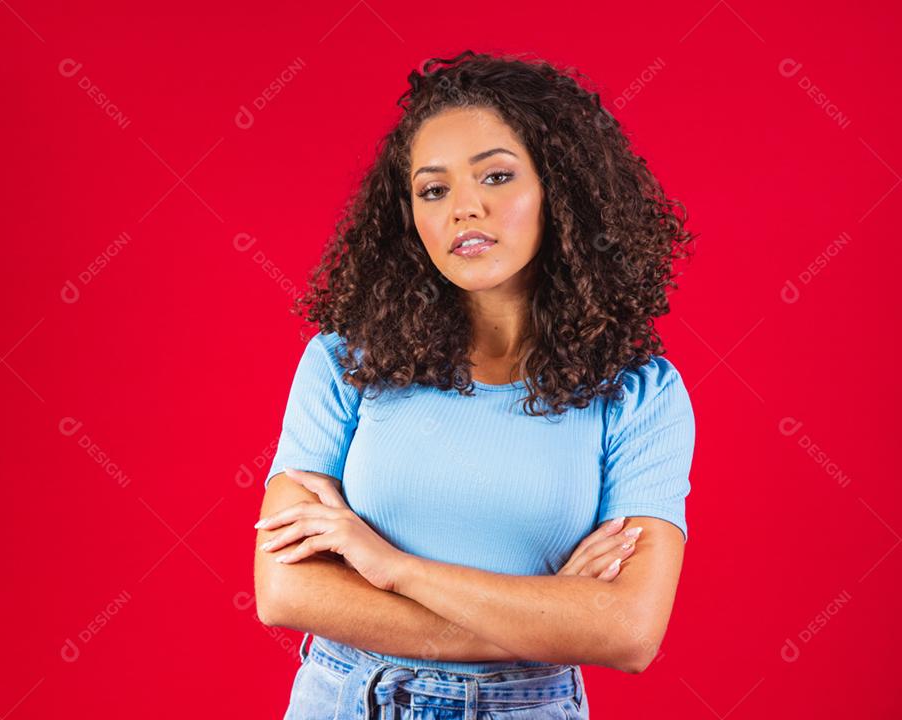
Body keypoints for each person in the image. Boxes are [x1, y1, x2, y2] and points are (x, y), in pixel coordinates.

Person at [253, 49, 697, 719]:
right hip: (348, 700)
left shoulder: (638, 395)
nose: (465, 208)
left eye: (496, 176)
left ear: (561, 189)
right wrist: (541, 620)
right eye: (434, 190)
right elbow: (285, 594)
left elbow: (628, 631)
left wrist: (391, 567)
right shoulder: (345, 362)